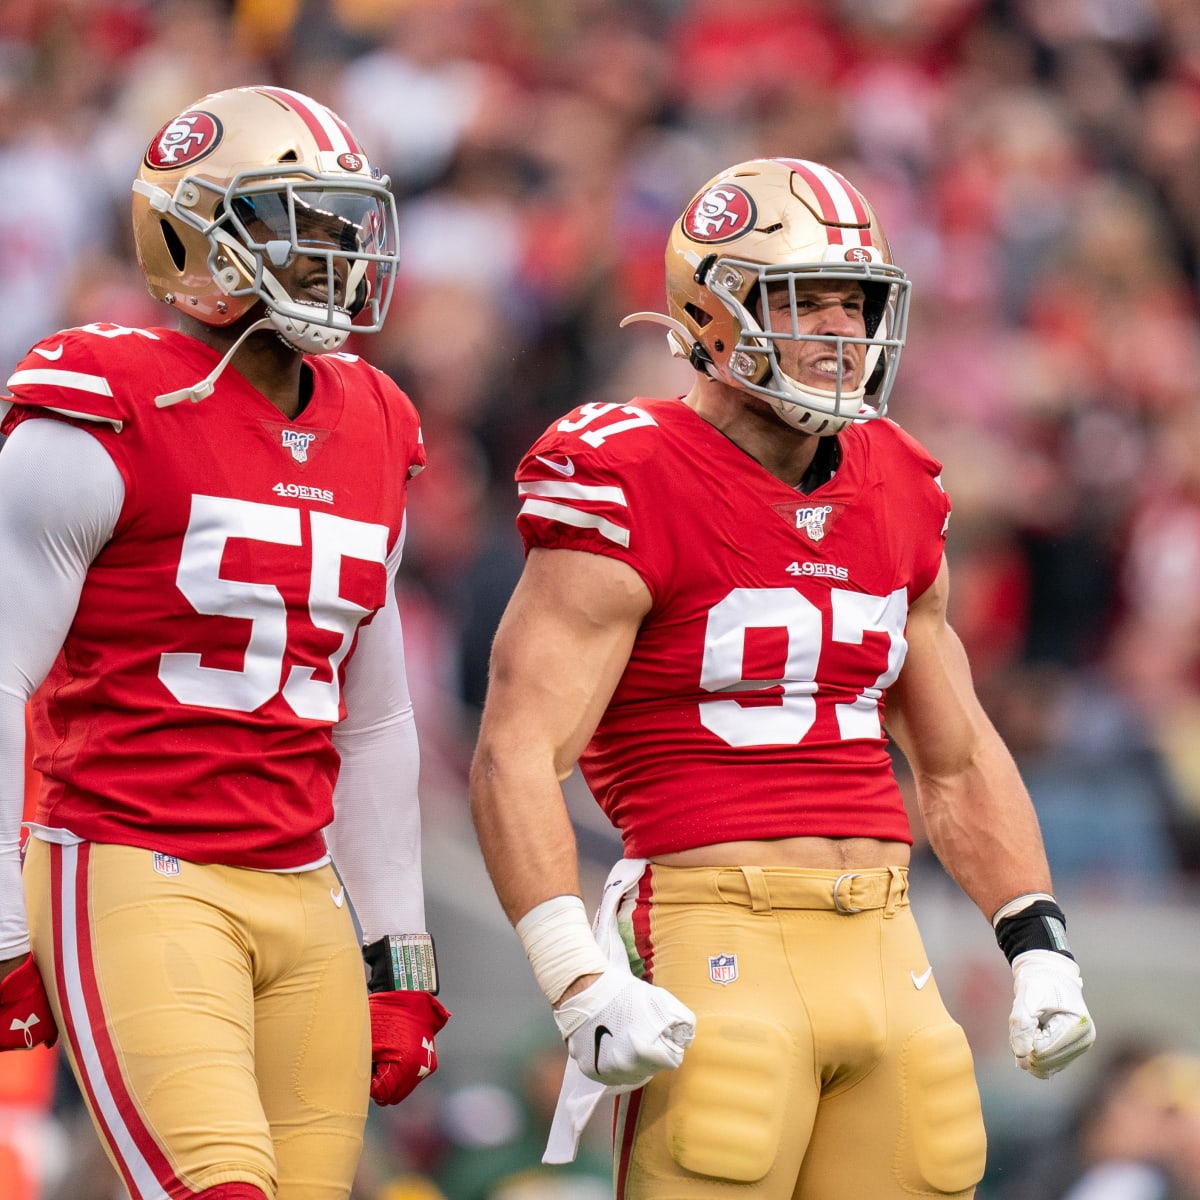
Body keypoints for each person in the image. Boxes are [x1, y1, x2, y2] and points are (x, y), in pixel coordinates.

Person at [468, 156, 1096, 1199]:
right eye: (809, 303)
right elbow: (516, 752)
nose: (842, 333)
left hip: (886, 934)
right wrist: (574, 975)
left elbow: (957, 750)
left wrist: (1035, 934)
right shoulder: (630, 469)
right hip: (714, 924)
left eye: (857, 305)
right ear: (711, 311)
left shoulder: (896, 476)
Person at [0, 85, 448, 1200]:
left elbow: (378, 713)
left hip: (303, 888)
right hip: (133, 863)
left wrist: (397, 952)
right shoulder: (105, 399)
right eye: (296, 217)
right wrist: (1, 923)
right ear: (192, 231)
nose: (334, 249)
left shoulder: (376, 418)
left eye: (345, 220)